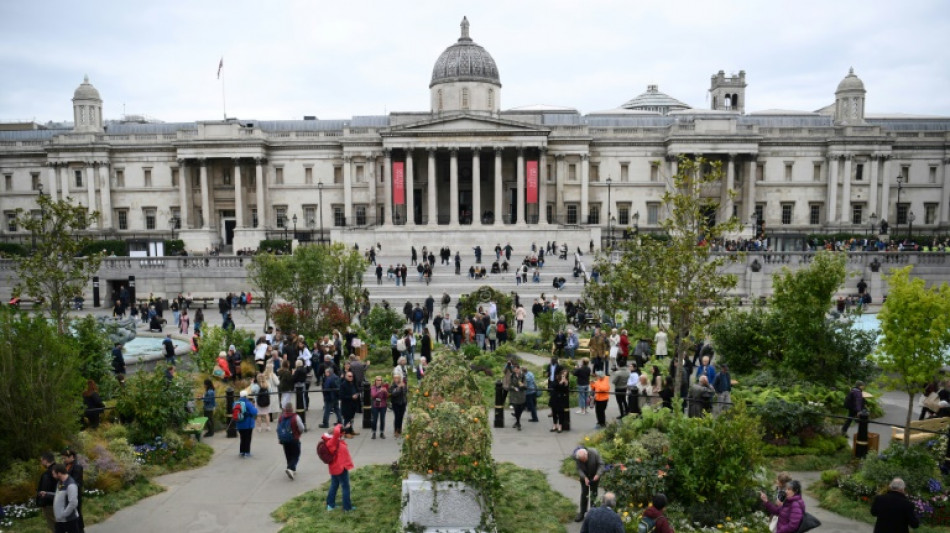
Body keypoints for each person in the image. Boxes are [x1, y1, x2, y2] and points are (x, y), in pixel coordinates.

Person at [323, 423, 356, 512]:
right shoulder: (333, 442)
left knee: (334, 485)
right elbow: (337, 431)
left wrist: (344, 428)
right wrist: (340, 426)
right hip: (340, 468)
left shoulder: (331, 441)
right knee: (345, 487)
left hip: (335, 467)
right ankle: (347, 508)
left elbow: (339, 433)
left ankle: (330, 505)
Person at [573, 447, 605, 522]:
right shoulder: (577, 457)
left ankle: (593, 513)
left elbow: (601, 464)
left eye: (584, 459)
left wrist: (598, 474)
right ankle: (582, 513)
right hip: (584, 477)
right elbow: (579, 469)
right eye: (581, 460)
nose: (583, 461)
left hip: (595, 476)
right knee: (584, 494)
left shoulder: (594, 453)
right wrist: (584, 477)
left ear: (586, 454)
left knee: (594, 494)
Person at [278, 402, 305, 480]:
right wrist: (299, 433)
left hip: (284, 439)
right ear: (292, 409)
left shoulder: (281, 417)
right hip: (294, 438)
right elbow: (301, 428)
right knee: (296, 454)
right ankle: (291, 468)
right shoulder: (296, 417)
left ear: (285, 409)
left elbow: (279, 428)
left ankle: (291, 468)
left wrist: (280, 438)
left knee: (288, 454)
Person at [52, 463, 81, 533]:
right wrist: (46, 494)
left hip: (69, 520)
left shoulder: (71, 485)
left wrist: (63, 514)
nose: (52, 475)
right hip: (60, 520)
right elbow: (58, 495)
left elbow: (73, 503)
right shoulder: (60, 483)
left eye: (53, 474)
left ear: (59, 473)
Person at [60, 448, 84, 532]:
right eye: (62, 458)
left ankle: (80, 530)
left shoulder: (77, 467)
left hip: (75, 495)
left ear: (72, 457)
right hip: (66, 495)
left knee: (76, 514)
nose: (63, 460)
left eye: (65, 458)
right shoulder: (65, 466)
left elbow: (75, 482)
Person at [36, 452, 57, 530]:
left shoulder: (47, 474)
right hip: (59, 500)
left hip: (50, 504)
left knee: (54, 525)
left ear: (45, 460)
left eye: (42, 460)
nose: (41, 462)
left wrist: (42, 503)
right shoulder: (60, 469)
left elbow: (45, 489)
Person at [234, 390, 259, 457]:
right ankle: (247, 452)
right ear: (246, 396)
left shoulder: (235, 403)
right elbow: (254, 412)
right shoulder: (248, 403)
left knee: (242, 438)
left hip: (239, 424)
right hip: (248, 424)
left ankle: (241, 452)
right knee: (247, 438)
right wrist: (254, 407)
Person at [340, 371, 361, 438]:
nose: (351, 377)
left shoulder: (353, 383)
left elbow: (357, 390)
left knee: (351, 418)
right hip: (346, 405)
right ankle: (346, 432)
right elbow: (341, 396)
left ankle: (351, 430)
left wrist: (357, 394)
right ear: (346, 376)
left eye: (352, 376)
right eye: (349, 376)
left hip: (353, 404)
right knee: (347, 419)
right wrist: (351, 397)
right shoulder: (343, 385)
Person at [508, 364, 526, 430]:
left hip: (521, 395)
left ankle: (517, 422)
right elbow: (510, 385)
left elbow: (525, 385)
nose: (515, 371)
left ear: (519, 369)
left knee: (520, 409)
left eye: (516, 370)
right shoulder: (512, 375)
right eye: (514, 370)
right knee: (516, 409)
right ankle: (518, 423)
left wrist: (522, 385)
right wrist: (514, 388)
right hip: (514, 395)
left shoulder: (523, 376)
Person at [390, 373, 408, 437]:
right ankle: (396, 430)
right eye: (395, 378)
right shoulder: (392, 386)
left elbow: (405, 392)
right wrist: (398, 387)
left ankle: (400, 429)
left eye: (397, 378)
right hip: (396, 403)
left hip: (403, 403)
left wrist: (403, 387)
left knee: (401, 416)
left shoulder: (403, 384)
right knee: (397, 417)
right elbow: (394, 394)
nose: (396, 379)